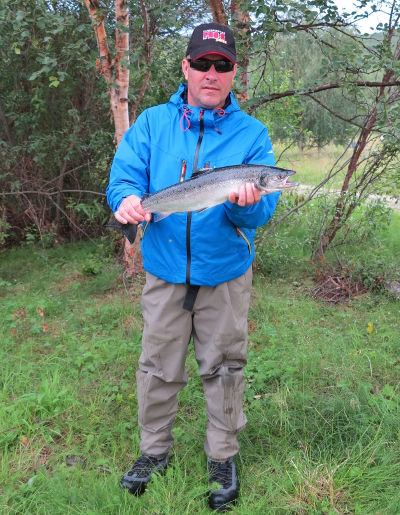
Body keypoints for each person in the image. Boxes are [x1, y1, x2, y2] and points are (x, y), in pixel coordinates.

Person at [106, 22, 280, 511]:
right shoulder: (152, 124)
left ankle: (222, 457)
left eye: (222, 65)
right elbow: (123, 178)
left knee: (225, 368)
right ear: (186, 67)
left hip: (225, 275)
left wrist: (246, 204)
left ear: (233, 73)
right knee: (157, 367)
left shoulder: (252, 134)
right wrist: (127, 201)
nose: (211, 73)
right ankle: (153, 453)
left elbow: (260, 214)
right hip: (164, 270)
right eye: (202, 63)